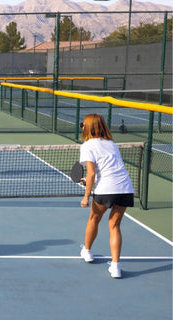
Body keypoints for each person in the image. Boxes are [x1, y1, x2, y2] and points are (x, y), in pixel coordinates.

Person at [78, 114, 134, 279]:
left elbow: (92, 173)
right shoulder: (112, 144)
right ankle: (115, 267)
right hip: (125, 188)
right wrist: (89, 181)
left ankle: (87, 251)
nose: (81, 126)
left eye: (83, 124)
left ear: (88, 127)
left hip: (106, 189)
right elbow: (108, 169)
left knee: (93, 220)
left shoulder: (87, 146)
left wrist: (86, 197)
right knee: (114, 226)